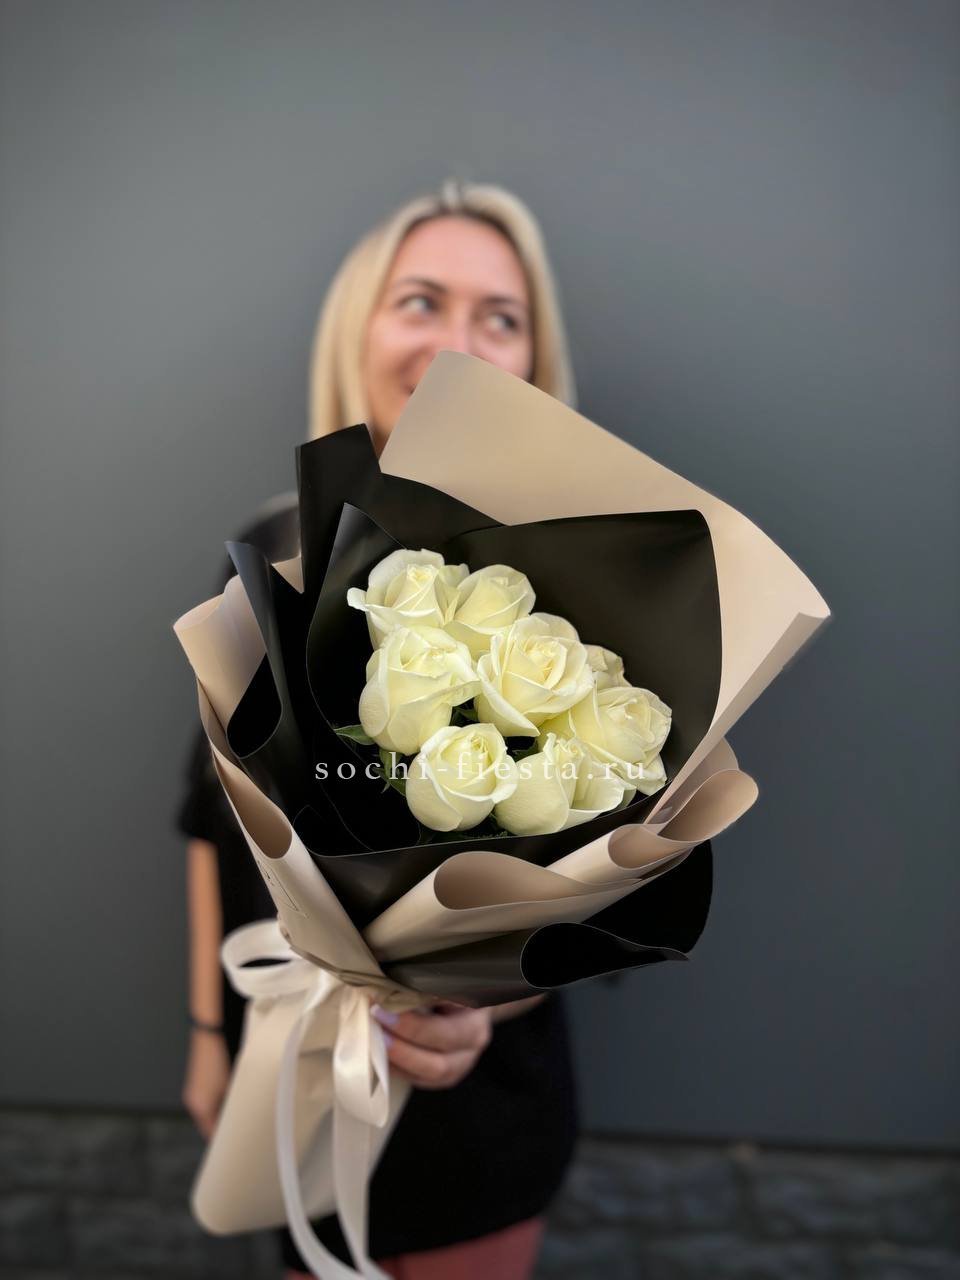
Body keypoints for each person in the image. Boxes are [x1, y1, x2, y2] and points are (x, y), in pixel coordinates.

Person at [179, 179, 582, 1280]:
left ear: (534, 357)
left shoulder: (580, 579)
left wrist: (485, 1007)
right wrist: (209, 1032)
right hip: (292, 1075)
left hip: (479, 1101)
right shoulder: (265, 558)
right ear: (358, 328)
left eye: (500, 315)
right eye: (420, 300)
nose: (459, 341)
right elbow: (207, 819)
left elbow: (613, 872)